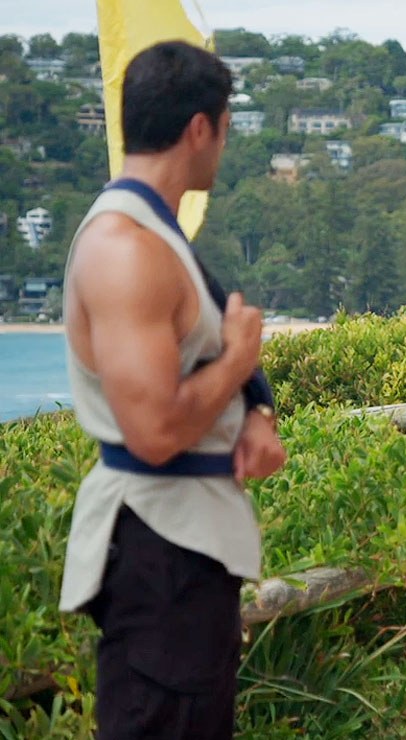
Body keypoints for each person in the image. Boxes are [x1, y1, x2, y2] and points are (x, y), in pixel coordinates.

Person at [58, 42, 285, 739]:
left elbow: (197, 361)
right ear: (199, 128)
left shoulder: (156, 233)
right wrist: (239, 359)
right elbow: (154, 432)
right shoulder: (126, 249)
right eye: (226, 128)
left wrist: (255, 408)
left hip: (184, 550)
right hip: (160, 548)